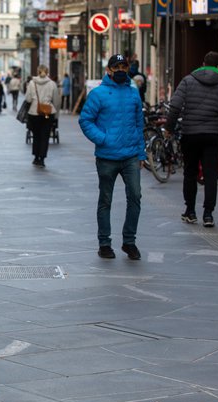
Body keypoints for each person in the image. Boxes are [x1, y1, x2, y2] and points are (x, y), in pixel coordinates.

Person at [79, 54, 146, 261]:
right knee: (105, 200)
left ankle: (129, 241)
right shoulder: (98, 94)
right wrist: (103, 139)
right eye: (116, 67)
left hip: (131, 156)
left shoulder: (133, 93)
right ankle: (104, 243)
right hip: (107, 156)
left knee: (135, 196)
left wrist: (141, 153)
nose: (120, 70)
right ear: (108, 70)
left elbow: (139, 124)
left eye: (123, 66)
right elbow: (85, 120)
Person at [165, 51, 218, 228]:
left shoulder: (188, 80)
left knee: (190, 172)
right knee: (211, 175)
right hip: (212, 135)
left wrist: (169, 128)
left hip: (190, 134)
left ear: (203, 63)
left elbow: (175, 106)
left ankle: (190, 211)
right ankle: (208, 214)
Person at [24, 65, 58, 168]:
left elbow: (28, 99)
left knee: (36, 135)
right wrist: (55, 113)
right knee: (45, 136)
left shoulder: (31, 83)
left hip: (34, 113)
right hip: (48, 113)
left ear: (38, 71)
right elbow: (56, 101)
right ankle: (42, 159)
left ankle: (36, 157)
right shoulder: (52, 84)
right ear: (47, 72)